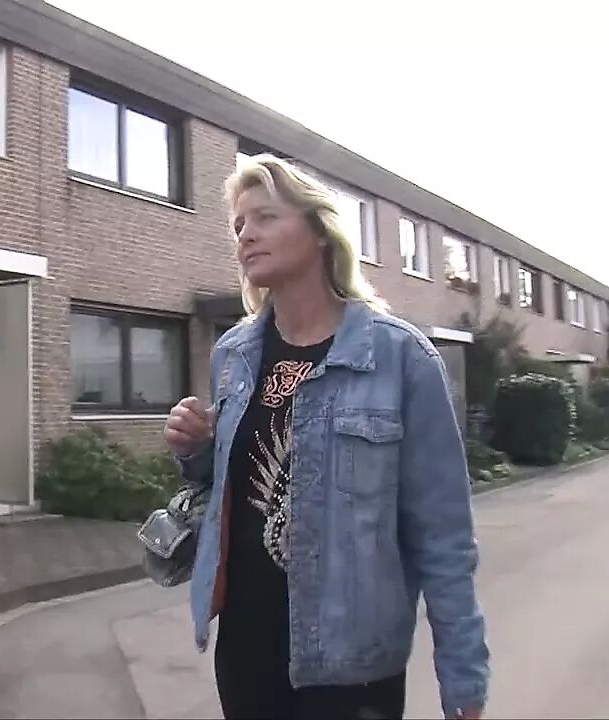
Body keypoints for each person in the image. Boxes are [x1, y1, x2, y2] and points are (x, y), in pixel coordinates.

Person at [163, 154, 489, 720]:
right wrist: (195, 451)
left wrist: (462, 677)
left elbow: (443, 535)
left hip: (351, 670)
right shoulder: (233, 355)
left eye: (265, 217)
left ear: (318, 231)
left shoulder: (400, 357)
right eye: (239, 225)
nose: (246, 235)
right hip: (246, 655)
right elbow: (229, 490)